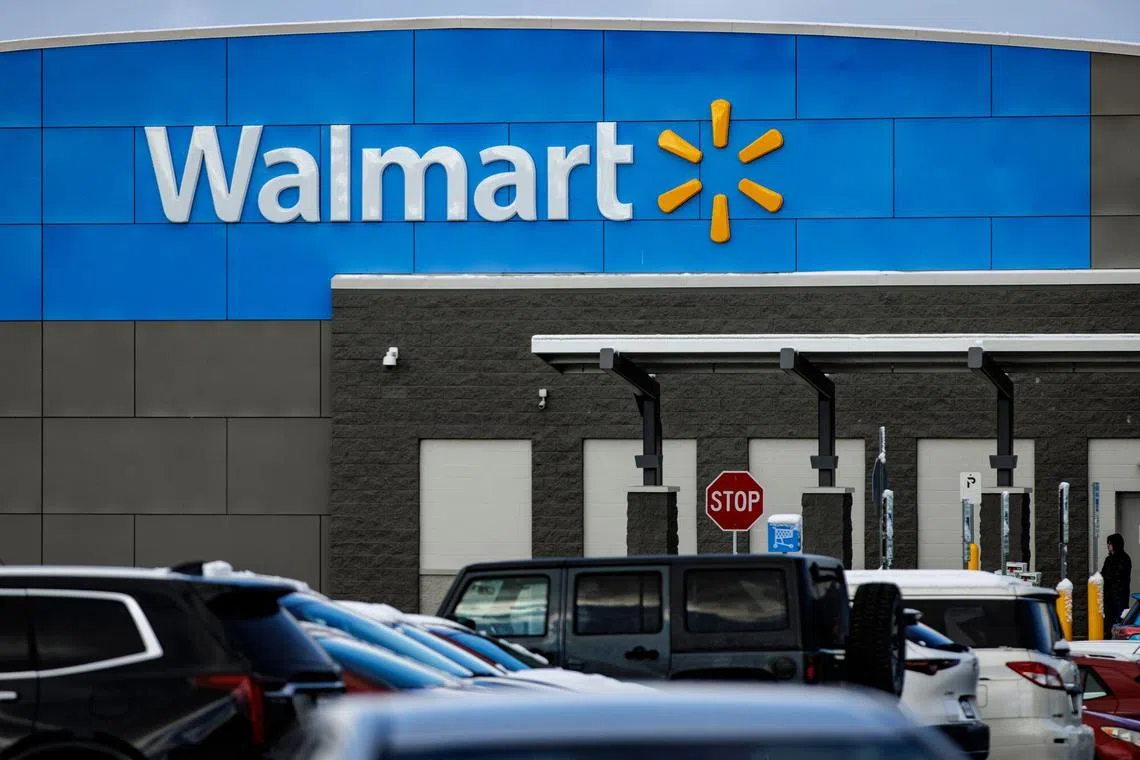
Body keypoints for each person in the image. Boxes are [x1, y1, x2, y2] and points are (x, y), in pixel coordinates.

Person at [1103, 533, 1133, 634]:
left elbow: (1116, 576)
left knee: (1119, 621)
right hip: (1108, 597)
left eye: (1110, 543)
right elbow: (1103, 574)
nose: (1108, 546)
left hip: (1119, 597)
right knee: (1107, 622)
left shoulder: (1124, 559)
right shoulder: (1108, 559)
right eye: (1108, 543)